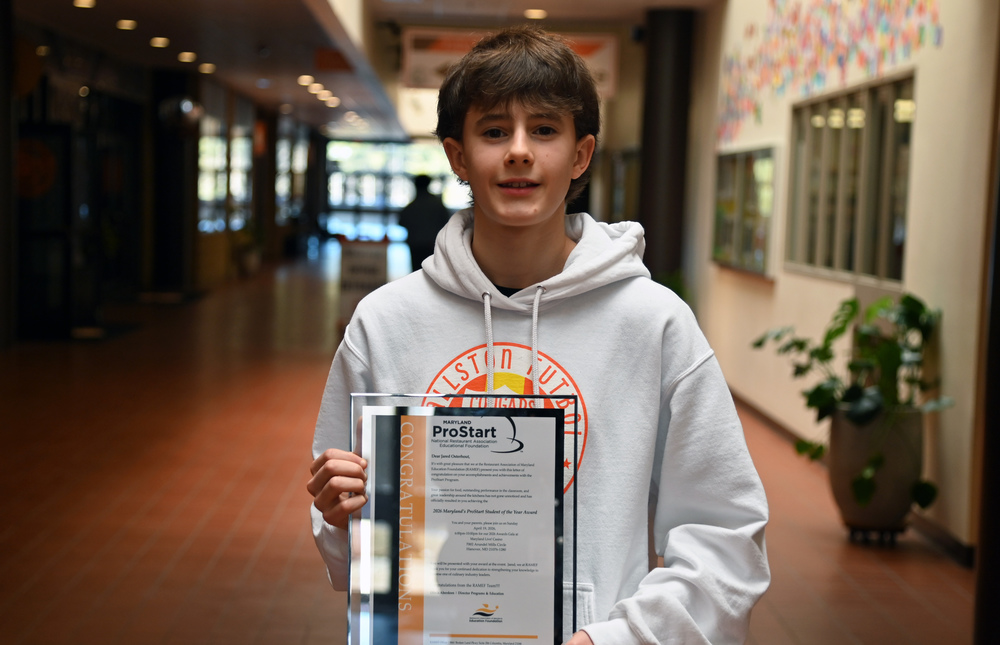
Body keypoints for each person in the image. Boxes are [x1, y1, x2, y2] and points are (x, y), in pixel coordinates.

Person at [307, 25, 769, 644]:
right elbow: (353, 554)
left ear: (580, 156)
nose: (519, 151)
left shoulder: (654, 324)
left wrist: (612, 639)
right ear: (457, 155)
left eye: (544, 130)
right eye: (494, 131)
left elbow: (726, 539)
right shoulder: (386, 323)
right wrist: (343, 518)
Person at [397, 173, 453, 270]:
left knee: (416, 271)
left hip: (415, 244)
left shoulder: (412, 206)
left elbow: (401, 222)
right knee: (432, 271)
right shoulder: (437, 204)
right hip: (433, 243)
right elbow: (446, 221)